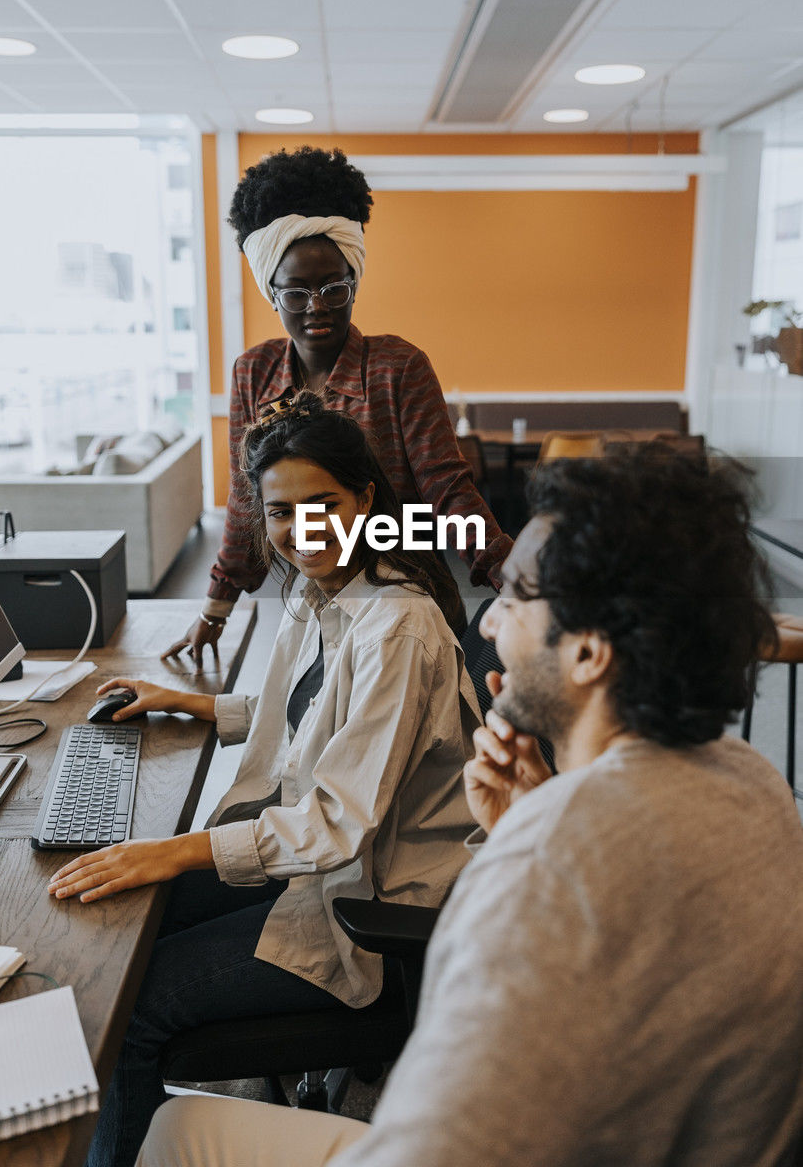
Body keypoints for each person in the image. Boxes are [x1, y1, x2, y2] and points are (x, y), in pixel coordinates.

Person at [137, 448, 803, 1167]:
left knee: (176, 1133)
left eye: (513, 598)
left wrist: (528, 843)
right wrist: (531, 817)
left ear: (587, 653)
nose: (486, 627)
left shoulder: (543, 867)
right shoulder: (752, 779)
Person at [48, 394, 478, 1167]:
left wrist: (178, 850)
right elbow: (320, 715)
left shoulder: (398, 627)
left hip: (369, 900)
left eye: (325, 505)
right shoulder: (327, 593)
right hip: (324, 865)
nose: (302, 530)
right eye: (281, 512)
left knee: (127, 1004)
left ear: (368, 500)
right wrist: (205, 706)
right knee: (130, 916)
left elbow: (338, 822)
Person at [163, 145, 511, 661]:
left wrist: (512, 578)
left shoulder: (398, 367)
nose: (317, 307)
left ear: (354, 282)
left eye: (333, 288)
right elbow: (245, 505)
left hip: (405, 601)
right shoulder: (253, 373)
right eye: (296, 293)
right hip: (317, 603)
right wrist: (216, 607)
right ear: (271, 292)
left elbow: (445, 491)